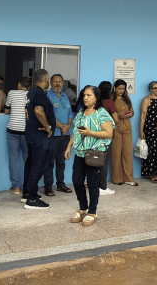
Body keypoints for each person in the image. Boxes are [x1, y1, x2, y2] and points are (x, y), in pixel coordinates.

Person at [65, 85, 114, 225]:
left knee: (92, 183)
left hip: (94, 153)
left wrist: (90, 133)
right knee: (77, 181)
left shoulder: (102, 113)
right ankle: (83, 208)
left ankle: (92, 212)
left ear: (96, 98)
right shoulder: (81, 112)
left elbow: (108, 133)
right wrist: (69, 146)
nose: (85, 98)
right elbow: (76, 131)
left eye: (89, 95)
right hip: (80, 153)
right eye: (84, 95)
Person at [23, 69, 55, 208]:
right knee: (38, 165)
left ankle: (28, 193)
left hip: (31, 134)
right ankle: (31, 199)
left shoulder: (31, 92)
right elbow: (38, 111)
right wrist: (47, 127)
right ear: (46, 79)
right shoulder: (40, 94)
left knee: (31, 164)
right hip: (40, 136)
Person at [48, 74, 75, 194]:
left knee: (61, 161)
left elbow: (70, 113)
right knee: (49, 162)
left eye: (59, 81)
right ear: (50, 83)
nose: (57, 84)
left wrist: (68, 126)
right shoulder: (48, 96)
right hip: (53, 135)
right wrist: (61, 126)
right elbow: (49, 116)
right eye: (55, 81)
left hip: (65, 134)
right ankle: (48, 186)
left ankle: (60, 184)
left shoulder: (65, 95)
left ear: (63, 84)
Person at [4, 77, 30, 197]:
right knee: (27, 158)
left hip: (12, 129)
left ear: (19, 85)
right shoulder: (31, 94)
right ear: (28, 87)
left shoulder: (11, 93)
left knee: (13, 158)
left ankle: (15, 187)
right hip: (26, 130)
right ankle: (28, 186)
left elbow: (6, 110)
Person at [139, 81, 157, 182]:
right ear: (150, 89)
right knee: (152, 151)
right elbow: (143, 116)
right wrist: (141, 131)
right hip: (150, 129)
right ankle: (152, 174)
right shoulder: (146, 100)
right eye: (155, 88)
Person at [110, 80, 137, 186]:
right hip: (116, 128)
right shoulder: (111, 99)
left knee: (127, 153)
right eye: (119, 88)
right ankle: (117, 179)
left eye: (123, 89)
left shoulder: (127, 98)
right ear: (114, 88)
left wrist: (130, 114)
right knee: (116, 153)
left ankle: (128, 178)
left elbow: (132, 111)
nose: (121, 91)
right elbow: (109, 113)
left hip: (127, 128)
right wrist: (119, 115)